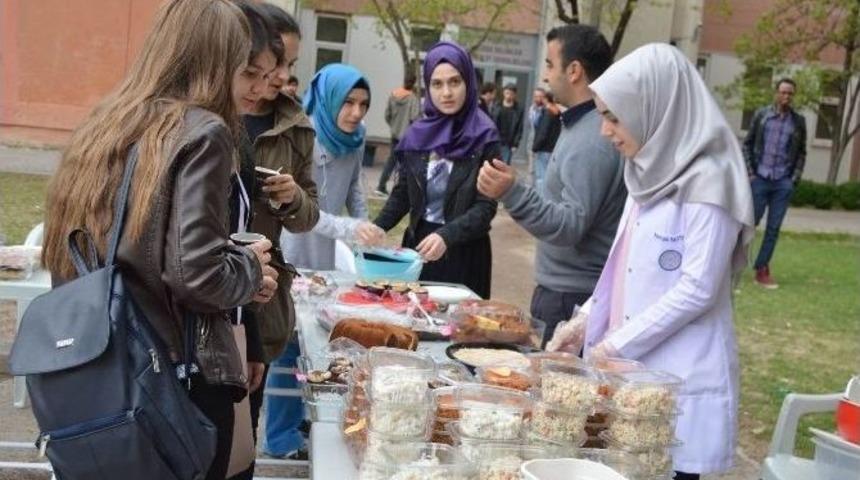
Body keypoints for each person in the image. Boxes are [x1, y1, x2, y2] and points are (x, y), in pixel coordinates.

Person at [41, 1, 279, 479]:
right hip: (170, 377)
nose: (250, 83)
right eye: (241, 66)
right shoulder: (204, 132)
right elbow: (196, 272)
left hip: (97, 363)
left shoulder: (106, 121)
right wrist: (251, 268)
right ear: (218, 62)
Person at [547, 43, 755, 480]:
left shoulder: (709, 181)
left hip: (682, 379)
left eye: (613, 117)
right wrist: (584, 320)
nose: (605, 130)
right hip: (638, 381)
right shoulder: (647, 172)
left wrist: (617, 344)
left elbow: (698, 287)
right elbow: (621, 268)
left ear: (656, 109)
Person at [477, 25, 626, 344]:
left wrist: (512, 192)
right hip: (564, 291)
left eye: (548, 64)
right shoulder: (582, 126)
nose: (544, 75)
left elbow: (570, 225)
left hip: (570, 296)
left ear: (574, 71)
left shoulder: (592, 138)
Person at [248, 2, 321, 463]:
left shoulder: (294, 126)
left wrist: (292, 198)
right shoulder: (212, 112)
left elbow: (308, 215)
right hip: (203, 290)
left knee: (243, 424)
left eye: (291, 65)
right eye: (277, 62)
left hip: (261, 295)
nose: (282, 76)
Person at [374, 41, 500, 299]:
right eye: (437, 84)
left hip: (464, 254)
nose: (446, 93)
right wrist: (377, 228)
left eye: (455, 82)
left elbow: (485, 207)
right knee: (413, 323)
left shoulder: (485, 136)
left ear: (468, 82)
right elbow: (403, 195)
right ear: (427, 87)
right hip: (419, 251)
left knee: (458, 332)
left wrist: (446, 236)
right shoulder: (417, 135)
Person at [281, 63, 384, 270]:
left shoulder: (357, 136)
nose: (357, 113)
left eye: (364, 104)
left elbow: (353, 184)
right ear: (330, 98)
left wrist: (364, 225)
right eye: (348, 102)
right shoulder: (299, 135)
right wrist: (351, 228)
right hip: (293, 237)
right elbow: (297, 208)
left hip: (327, 243)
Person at [742, 78, 806, 289]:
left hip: (782, 183)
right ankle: (729, 266)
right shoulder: (762, 116)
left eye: (790, 94)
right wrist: (751, 173)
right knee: (748, 224)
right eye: (783, 92)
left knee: (773, 229)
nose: (786, 97)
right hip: (759, 179)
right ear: (776, 93)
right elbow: (747, 145)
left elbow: (801, 153)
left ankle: (762, 269)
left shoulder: (798, 122)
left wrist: (793, 179)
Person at [376, 70, 422, 196]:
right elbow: (415, 118)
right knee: (403, 164)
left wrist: (393, 126)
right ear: (414, 83)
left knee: (391, 161)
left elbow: (387, 115)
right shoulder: (413, 99)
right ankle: (398, 189)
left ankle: (381, 185)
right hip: (407, 137)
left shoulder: (393, 95)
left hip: (394, 134)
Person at [530, 91, 561, 193]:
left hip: (543, 149)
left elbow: (543, 132)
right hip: (553, 149)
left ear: (546, 99)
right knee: (547, 177)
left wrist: (535, 147)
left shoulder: (547, 113)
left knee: (541, 177)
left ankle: (541, 200)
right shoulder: (557, 113)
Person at [493, 84, 524, 165]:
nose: (508, 96)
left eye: (511, 93)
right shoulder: (496, 106)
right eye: (507, 93)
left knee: (504, 164)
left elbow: (519, 127)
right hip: (496, 140)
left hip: (508, 142)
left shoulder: (518, 109)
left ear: (514, 95)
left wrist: (515, 143)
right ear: (503, 93)